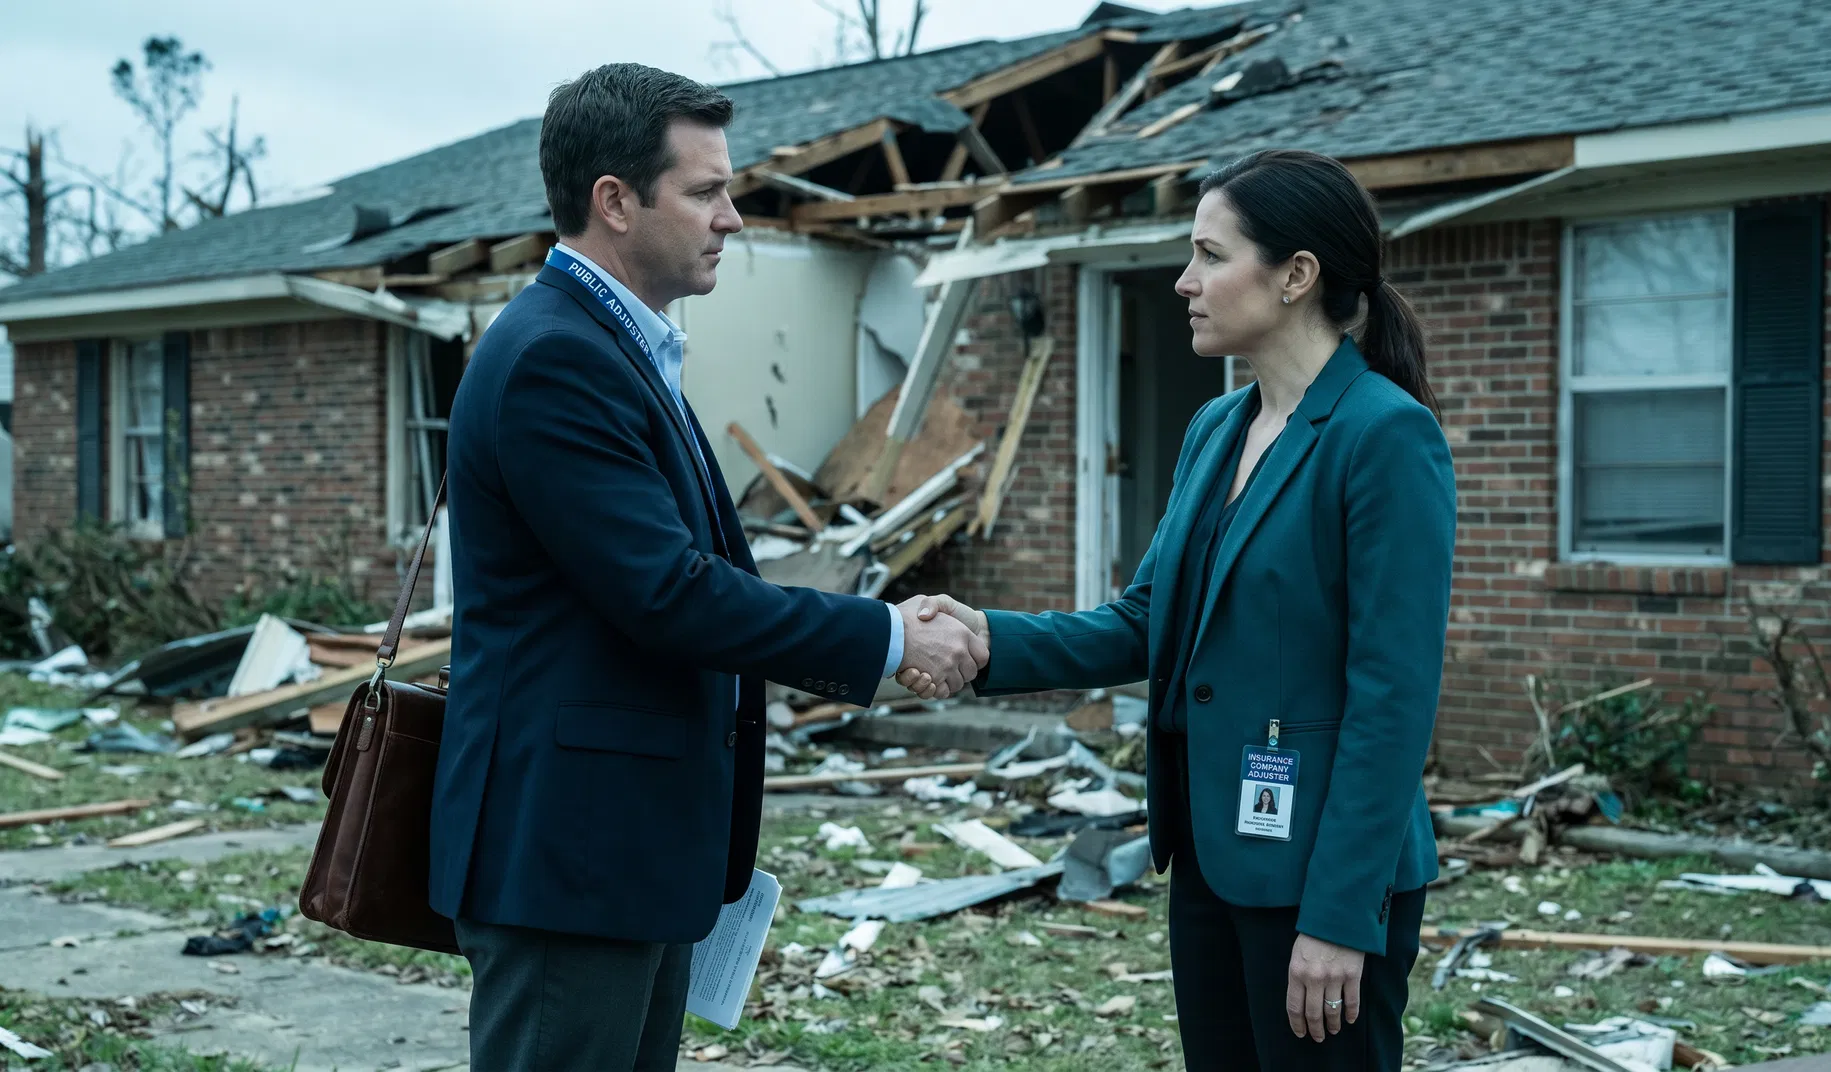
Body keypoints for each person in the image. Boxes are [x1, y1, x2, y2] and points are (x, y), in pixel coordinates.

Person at [430, 64, 988, 1072]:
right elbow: (669, 590)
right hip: (570, 859)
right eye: (704, 191)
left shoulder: (618, 347)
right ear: (614, 201)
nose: (732, 217)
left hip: (624, 855)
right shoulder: (558, 357)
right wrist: (889, 635)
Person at [900, 148, 1455, 1071]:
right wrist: (986, 636)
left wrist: (1337, 919)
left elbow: (1392, 700)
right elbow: (1144, 619)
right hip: (1210, 851)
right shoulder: (1217, 427)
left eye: (1208, 253)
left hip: (1319, 877)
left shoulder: (1384, 436)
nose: (1184, 280)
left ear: (1295, 276)